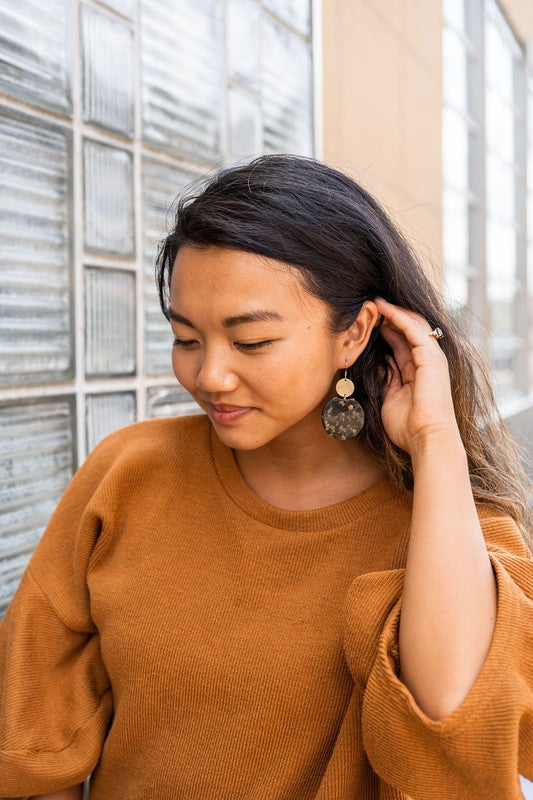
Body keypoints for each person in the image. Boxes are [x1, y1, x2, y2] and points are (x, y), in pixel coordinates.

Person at [1, 154, 532, 800]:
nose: (210, 376)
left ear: (354, 333)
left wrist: (435, 440)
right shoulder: (128, 474)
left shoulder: (454, 531)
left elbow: (450, 715)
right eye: (186, 339)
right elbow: (32, 741)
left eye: (250, 342)